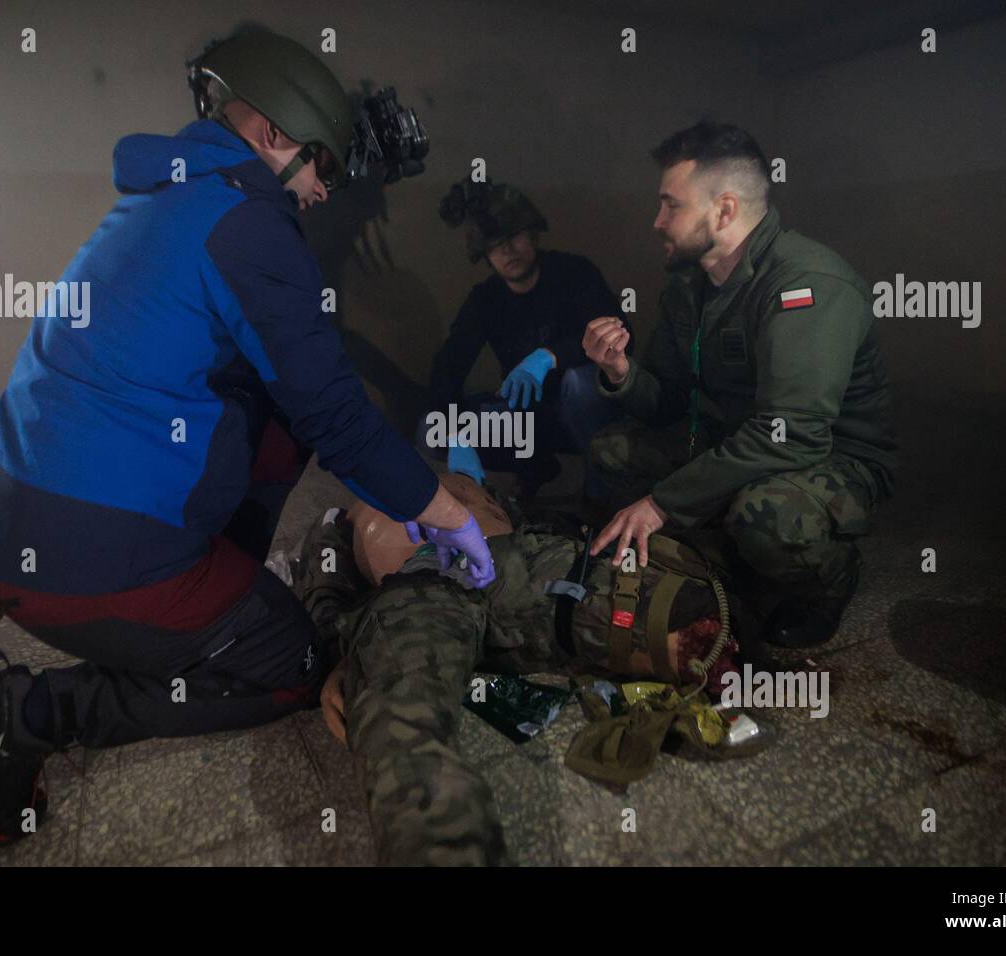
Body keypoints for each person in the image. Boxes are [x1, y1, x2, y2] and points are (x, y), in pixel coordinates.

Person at [0, 26, 495, 848]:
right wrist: (444, 511)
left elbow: (297, 403)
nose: (326, 190)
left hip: (22, 520)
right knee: (292, 670)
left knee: (273, 419)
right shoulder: (249, 226)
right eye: (322, 165)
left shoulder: (167, 196)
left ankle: (213, 590)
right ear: (271, 134)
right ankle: (27, 714)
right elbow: (336, 414)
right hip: (82, 556)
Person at [288, 473, 748, 865]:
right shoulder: (344, 514)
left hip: (506, 562)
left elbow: (550, 528)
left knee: (691, 617)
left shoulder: (471, 485)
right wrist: (342, 657)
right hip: (417, 586)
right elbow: (325, 589)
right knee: (400, 727)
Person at [583, 120, 898, 649]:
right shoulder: (691, 285)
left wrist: (662, 503)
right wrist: (620, 371)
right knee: (611, 452)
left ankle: (830, 581)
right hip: (738, 438)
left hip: (829, 455)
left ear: (724, 210)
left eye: (670, 205)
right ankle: (723, 554)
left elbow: (792, 434)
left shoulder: (806, 283)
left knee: (766, 518)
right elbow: (665, 400)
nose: (656, 221)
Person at [421, 180, 625, 497]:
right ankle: (536, 467)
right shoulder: (485, 299)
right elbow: (447, 369)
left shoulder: (573, 273)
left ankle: (602, 491)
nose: (507, 250)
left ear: (532, 234)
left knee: (578, 383)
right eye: (494, 245)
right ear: (485, 256)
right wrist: (455, 437)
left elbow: (621, 333)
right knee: (431, 430)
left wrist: (550, 357)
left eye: (513, 236)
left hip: (583, 413)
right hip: (528, 419)